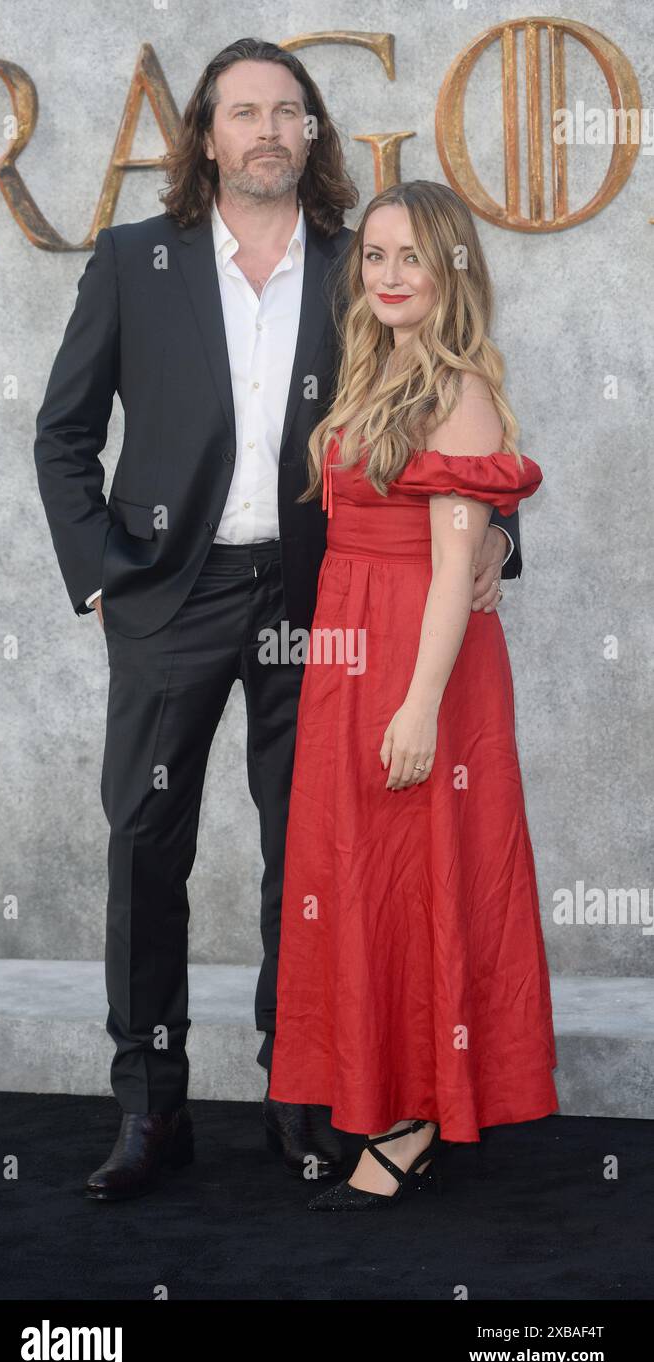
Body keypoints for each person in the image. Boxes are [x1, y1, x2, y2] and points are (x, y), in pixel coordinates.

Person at [33, 36, 525, 1201]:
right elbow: (60, 434)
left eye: (286, 112)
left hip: (323, 605)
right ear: (203, 135)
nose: (264, 130)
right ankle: (150, 1111)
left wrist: (500, 540)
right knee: (146, 850)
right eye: (241, 111)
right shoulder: (130, 261)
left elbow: (452, 404)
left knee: (306, 855)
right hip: (173, 596)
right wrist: (107, 571)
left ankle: (302, 1099)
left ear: (312, 136)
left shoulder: (363, 263)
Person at [268, 179, 559, 1210]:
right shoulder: (376, 365)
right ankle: (386, 1092)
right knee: (368, 876)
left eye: (411, 259)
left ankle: (422, 1113)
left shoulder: (457, 386)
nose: (388, 276)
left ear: (451, 272)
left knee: (427, 865)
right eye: (376, 256)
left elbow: (449, 567)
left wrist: (420, 704)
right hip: (353, 651)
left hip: (417, 660)